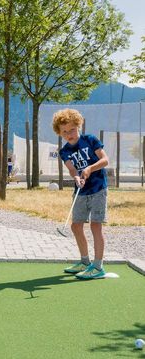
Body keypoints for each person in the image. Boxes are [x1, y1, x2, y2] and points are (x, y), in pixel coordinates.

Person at [52, 108, 109, 280]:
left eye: (71, 129)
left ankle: (98, 266)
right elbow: (71, 169)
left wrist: (90, 168)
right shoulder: (64, 151)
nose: (69, 134)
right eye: (64, 132)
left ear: (79, 126)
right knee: (76, 226)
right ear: (59, 133)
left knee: (95, 226)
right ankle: (85, 262)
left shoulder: (90, 140)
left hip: (98, 188)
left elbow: (105, 160)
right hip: (81, 191)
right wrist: (77, 176)